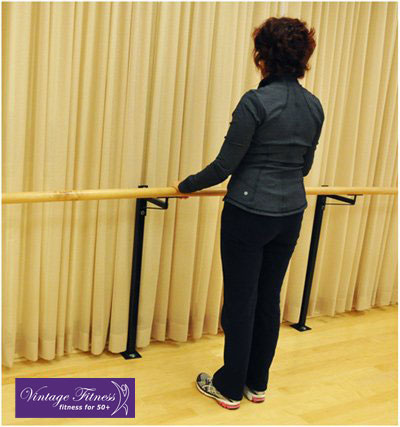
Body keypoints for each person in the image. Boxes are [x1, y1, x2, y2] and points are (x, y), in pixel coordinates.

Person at [172, 16, 325, 410]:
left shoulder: (255, 102)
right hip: (290, 215)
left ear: (262, 56)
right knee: (268, 298)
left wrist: (184, 186)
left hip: (248, 214)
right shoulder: (314, 106)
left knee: (241, 300)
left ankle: (228, 386)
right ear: (303, 57)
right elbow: (304, 167)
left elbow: (225, 165)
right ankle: (257, 383)